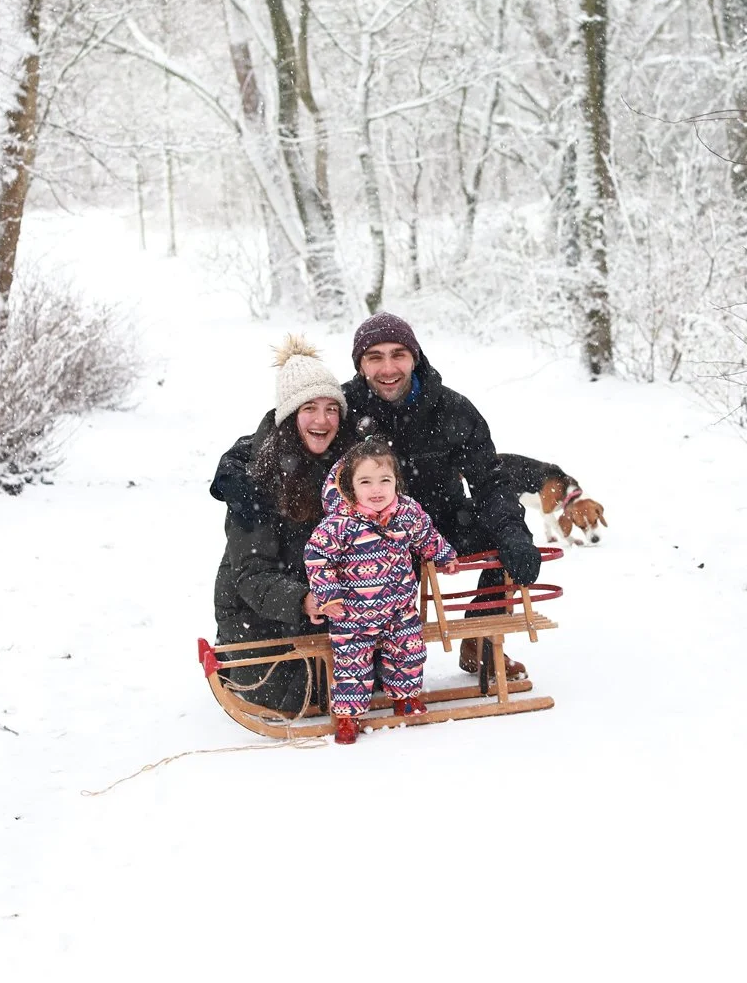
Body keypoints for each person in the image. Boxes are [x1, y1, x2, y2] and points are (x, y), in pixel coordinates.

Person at [341, 312, 542, 679]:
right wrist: (235, 468)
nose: (388, 368)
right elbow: (288, 430)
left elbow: (490, 480)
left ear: (414, 357)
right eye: (375, 357)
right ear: (360, 365)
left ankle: (481, 637)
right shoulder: (342, 408)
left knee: (502, 533)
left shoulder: (452, 408)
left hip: (443, 522)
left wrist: (514, 534)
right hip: (371, 533)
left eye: (398, 354)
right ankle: (374, 653)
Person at [209, 334, 349, 715]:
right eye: (309, 408)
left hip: (323, 613)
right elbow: (251, 575)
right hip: (261, 626)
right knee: (304, 691)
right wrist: (302, 599)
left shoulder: (347, 469)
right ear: (288, 416)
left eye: (331, 409)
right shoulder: (254, 480)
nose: (322, 420)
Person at [304, 436, 458, 745]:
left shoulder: (406, 513)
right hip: (352, 613)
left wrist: (444, 554)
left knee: (409, 650)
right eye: (366, 482)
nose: (377, 490)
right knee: (351, 663)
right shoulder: (339, 524)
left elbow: (426, 535)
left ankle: (405, 697)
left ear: (396, 481)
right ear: (350, 486)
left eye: (384, 480)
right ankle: (348, 716)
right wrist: (328, 596)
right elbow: (318, 558)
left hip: (399, 607)